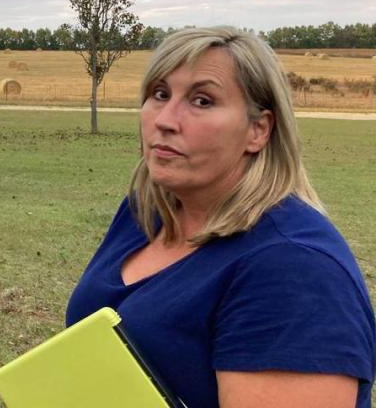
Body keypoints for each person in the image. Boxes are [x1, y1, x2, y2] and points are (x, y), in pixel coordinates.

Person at [65, 27, 375, 408]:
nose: (165, 119)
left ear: (258, 130)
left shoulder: (295, 270)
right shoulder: (144, 214)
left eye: (202, 101)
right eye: (160, 94)